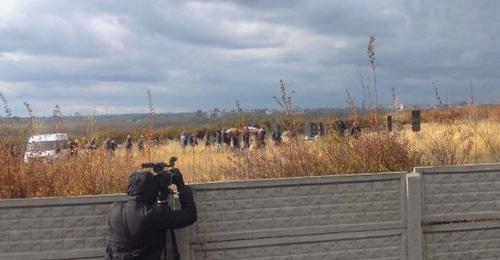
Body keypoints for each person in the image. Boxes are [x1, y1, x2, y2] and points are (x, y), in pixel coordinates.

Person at [106, 171, 197, 259]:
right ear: (151, 190)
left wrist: (161, 200)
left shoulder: (114, 210)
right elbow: (189, 215)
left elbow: (109, 247)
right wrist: (181, 186)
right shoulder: (151, 215)